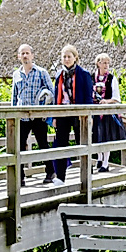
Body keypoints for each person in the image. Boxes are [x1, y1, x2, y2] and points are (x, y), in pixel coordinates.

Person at [11, 44, 55, 185]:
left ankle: (50, 171)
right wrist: (13, 114)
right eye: (22, 53)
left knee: (42, 143)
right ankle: (20, 176)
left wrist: (50, 113)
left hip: (38, 115)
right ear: (19, 56)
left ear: (32, 55)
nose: (25, 56)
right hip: (22, 116)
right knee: (19, 146)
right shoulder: (16, 74)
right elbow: (14, 96)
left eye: (27, 53)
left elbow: (51, 92)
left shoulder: (41, 72)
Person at [51, 44, 94, 186]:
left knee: (81, 143)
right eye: (64, 56)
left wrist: (88, 116)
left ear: (75, 58)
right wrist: (55, 116)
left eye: (69, 56)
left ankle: (88, 174)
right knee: (60, 143)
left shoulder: (83, 74)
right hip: (63, 112)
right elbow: (56, 95)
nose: (67, 59)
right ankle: (60, 176)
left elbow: (88, 97)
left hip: (79, 114)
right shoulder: (59, 75)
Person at [92, 53, 125, 172]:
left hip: (107, 113)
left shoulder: (112, 78)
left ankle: (106, 163)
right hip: (95, 112)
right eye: (104, 62)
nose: (106, 65)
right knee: (96, 136)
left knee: (106, 137)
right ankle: (99, 159)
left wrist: (106, 101)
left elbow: (116, 98)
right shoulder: (92, 78)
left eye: (108, 63)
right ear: (98, 63)